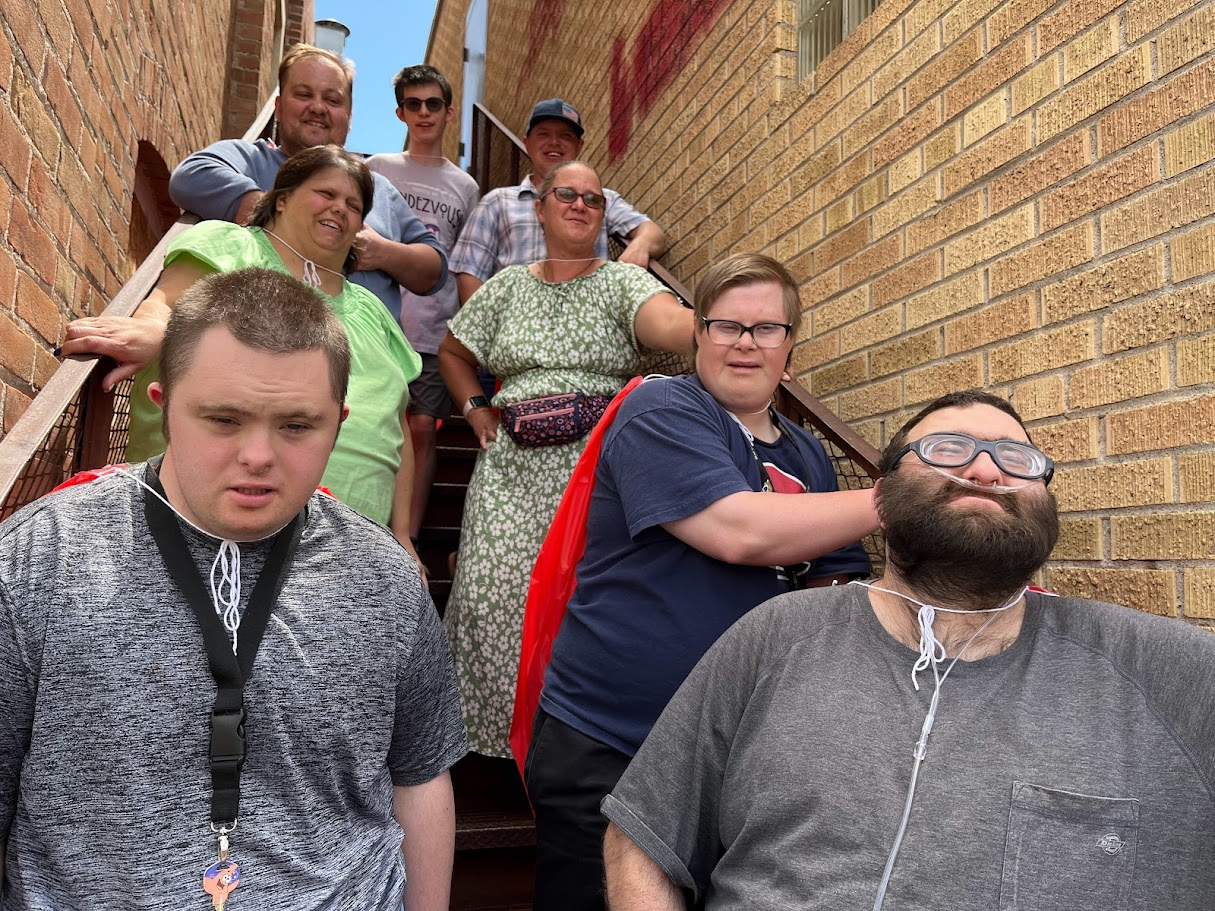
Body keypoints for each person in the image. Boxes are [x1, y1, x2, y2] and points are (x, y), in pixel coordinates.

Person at [602, 390, 1215, 910]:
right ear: (883, 493)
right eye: (947, 449)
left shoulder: (1173, 674)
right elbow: (643, 836)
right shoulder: (776, 636)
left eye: (1017, 459)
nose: (983, 470)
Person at [0, 268, 468, 911]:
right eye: (223, 419)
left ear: (340, 421)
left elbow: (419, 776)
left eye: (298, 426)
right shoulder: (43, 557)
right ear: (163, 407)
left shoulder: (385, 578)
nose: (258, 455)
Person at [525, 253, 876, 911]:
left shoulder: (806, 454)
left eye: (766, 328)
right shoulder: (661, 406)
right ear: (698, 336)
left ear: (789, 343)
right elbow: (737, 530)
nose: (745, 343)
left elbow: (832, 586)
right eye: (725, 325)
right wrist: (900, 501)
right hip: (611, 742)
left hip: (733, 757)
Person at [438, 159, 693, 758]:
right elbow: (452, 351)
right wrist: (476, 408)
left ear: (604, 217)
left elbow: (670, 323)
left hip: (593, 473)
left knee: (580, 601)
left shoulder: (623, 282)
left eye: (594, 199)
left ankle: (567, 747)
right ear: (543, 207)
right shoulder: (504, 288)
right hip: (510, 472)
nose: (580, 205)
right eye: (567, 195)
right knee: (488, 596)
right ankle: (492, 746)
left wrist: (721, 328)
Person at [61, 146, 422, 562]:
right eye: (326, 193)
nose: (340, 209)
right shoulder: (234, 245)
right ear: (282, 198)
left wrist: (402, 536)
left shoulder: (374, 310)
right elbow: (167, 303)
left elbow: (398, 426)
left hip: (348, 551)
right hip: (204, 529)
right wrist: (151, 331)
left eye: (354, 205)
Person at [168, 43, 445, 321]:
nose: (317, 107)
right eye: (303, 94)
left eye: (333, 100)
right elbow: (191, 175)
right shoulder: (250, 159)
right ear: (278, 107)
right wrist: (282, 217)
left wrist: (381, 252)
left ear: (349, 118)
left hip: (371, 356)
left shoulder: (380, 188)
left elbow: (435, 269)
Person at [365, 65, 480, 544]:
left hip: (436, 327)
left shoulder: (467, 186)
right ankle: (366, 524)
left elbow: (468, 258)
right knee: (376, 422)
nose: (424, 112)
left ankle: (404, 536)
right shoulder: (376, 169)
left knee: (423, 430)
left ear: (449, 112)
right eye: (414, 104)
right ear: (400, 112)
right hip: (383, 320)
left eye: (434, 103)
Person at [448, 98, 666, 304]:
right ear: (527, 143)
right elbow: (470, 272)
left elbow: (652, 232)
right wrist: (486, 332)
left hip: (585, 324)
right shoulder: (497, 202)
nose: (554, 142)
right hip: (515, 329)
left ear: (579, 146)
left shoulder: (597, 199)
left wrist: (640, 246)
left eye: (565, 136)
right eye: (543, 134)